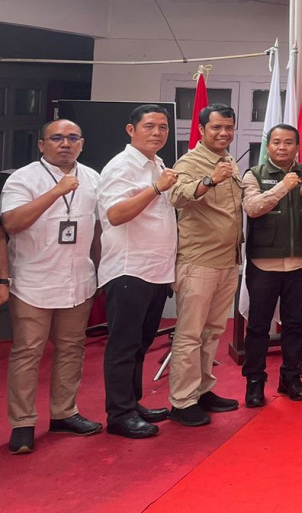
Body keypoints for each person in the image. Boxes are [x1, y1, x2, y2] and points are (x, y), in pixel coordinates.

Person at [3, 119, 103, 454]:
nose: (65, 143)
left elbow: (99, 231)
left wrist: (103, 271)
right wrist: (56, 191)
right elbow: (12, 223)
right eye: (57, 138)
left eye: (72, 138)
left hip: (78, 280)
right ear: (42, 144)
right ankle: (22, 423)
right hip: (33, 281)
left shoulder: (93, 178)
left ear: (82, 143)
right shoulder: (24, 178)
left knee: (72, 349)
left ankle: (64, 413)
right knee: (28, 352)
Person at [97, 104, 179, 439]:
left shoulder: (156, 163)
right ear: (131, 130)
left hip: (156, 271)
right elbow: (116, 214)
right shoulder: (121, 166)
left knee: (141, 344)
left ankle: (132, 404)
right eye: (149, 126)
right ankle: (119, 415)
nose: (158, 133)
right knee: (123, 345)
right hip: (129, 270)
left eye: (163, 127)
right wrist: (157, 188)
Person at [167, 103, 243, 427]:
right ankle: (182, 402)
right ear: (201, 130)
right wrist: (210, 180)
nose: (223, 133)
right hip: (198, 262)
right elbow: (178, 196)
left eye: (228, 127)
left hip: (227, 262)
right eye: (216, 128)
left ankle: (202, 390)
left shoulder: (229, 161)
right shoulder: (190, 162)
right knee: (189, 334)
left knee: (212, 332)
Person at [238, 123, 302, 406]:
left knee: (295, 325)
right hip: (264, 264)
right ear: (267, 146)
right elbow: (253, 208)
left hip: (299, 263)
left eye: (288, 142)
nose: (282, 147)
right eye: (276, 142)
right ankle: (255, 382)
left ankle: (291, 378)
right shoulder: (253, 174)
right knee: (259, 327)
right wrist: (283, 187)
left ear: (297, 146)